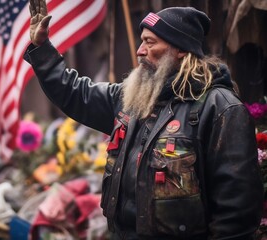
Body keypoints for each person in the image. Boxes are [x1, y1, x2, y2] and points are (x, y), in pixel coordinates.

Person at [24, 0, 263, 239]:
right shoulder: (131, 99)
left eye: (150, 42)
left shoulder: (220, 108)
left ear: (180, 49)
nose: (140, 50)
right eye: (142, 41)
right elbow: (75, 92)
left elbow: (236, 214)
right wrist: (42, 47)